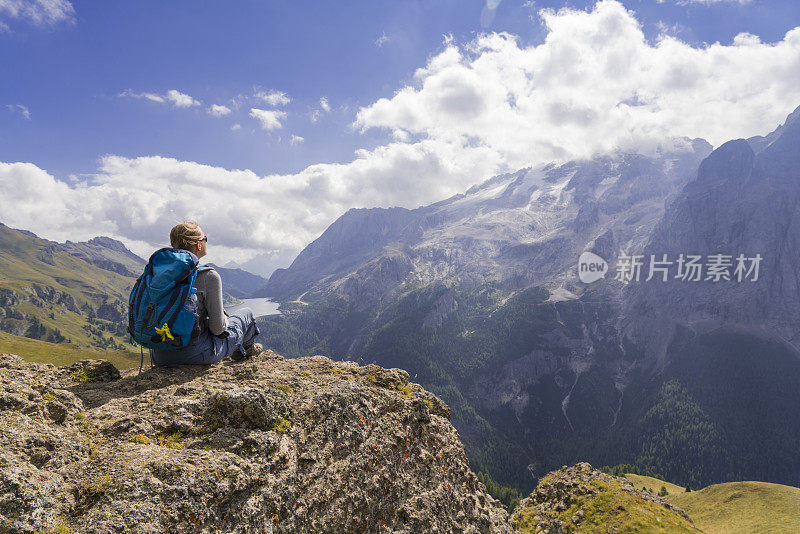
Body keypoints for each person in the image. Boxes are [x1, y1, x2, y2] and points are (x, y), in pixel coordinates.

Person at [151, 221, 262, 366]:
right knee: (247, 313)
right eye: (205, 239)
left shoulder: (156, 274)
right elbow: (218, 329)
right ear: (199, 245)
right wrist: (221, 316)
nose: (206, 242)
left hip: (159, 356)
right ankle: (245, 351)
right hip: (195, 355)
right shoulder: (208, 276)